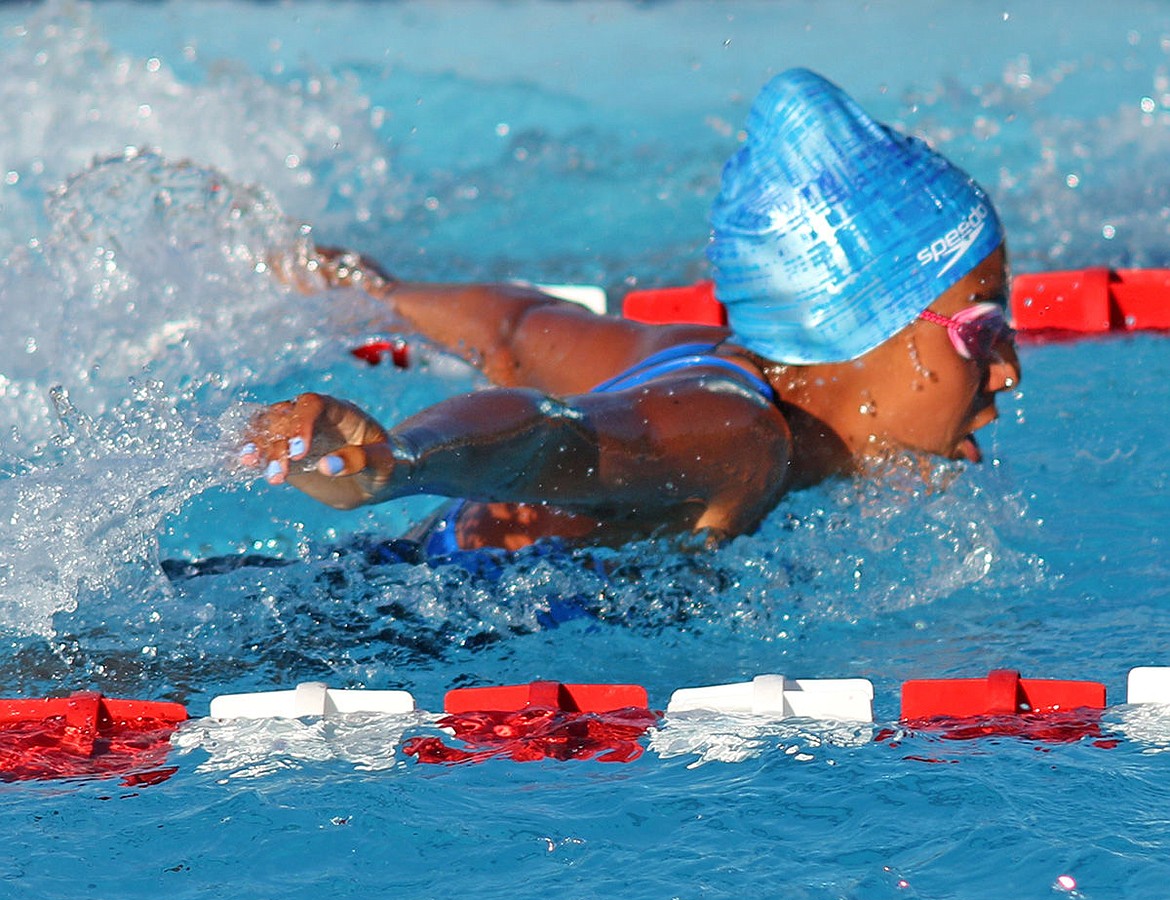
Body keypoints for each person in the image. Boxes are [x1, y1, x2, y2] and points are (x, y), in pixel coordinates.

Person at [241, 68, 1020, 554]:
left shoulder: (709, 357)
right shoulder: (742, 440)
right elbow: (551, 435)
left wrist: (361, 291)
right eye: (982, 332)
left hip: (342, 596)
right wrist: (399, 464)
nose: (1009, 372)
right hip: (367, 649)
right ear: (852, 325)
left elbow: (511, 330)